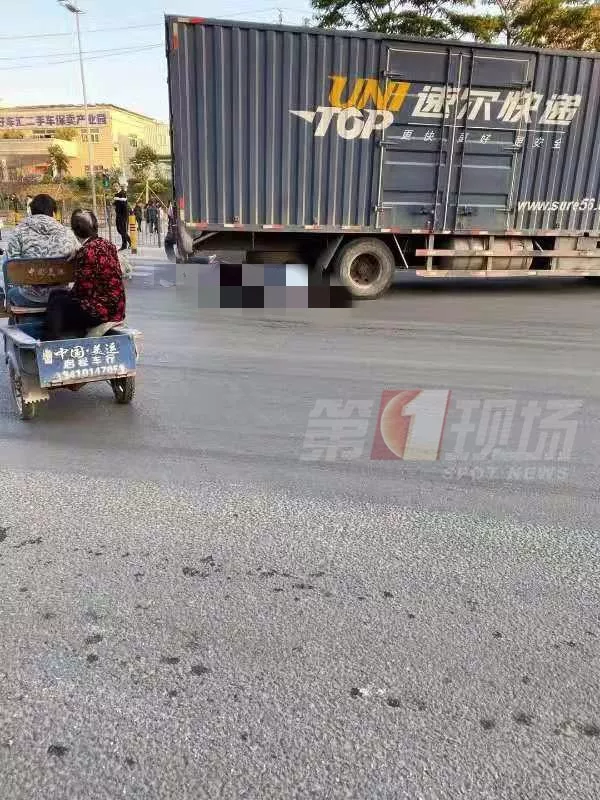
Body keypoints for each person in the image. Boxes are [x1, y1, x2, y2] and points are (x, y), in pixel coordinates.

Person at [45, 209, 126, 340]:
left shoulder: (86, 252)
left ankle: (51, 340)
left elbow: (82, 290)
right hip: (117, 307)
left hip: (101, 312)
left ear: (75, 230)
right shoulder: (108, 244)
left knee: (57, 302)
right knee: (59, 295)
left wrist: (68, 296)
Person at [1, 193, 78, 310]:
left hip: (28, 297)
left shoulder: (18, 232)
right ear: (53, 212)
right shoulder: (67, 233)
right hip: (61, 296)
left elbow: (12, 262)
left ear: (31, 211)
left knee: (7, 263)